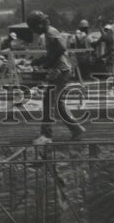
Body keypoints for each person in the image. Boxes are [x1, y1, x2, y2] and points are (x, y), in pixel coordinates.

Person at [25, 10, 85, 144]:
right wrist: (39, 61)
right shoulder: (48, 33)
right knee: (56, 104)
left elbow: (61, 48)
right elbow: (52, 52)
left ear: (39, 24)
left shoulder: (51, 33)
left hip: (61, 72)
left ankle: (46, 135)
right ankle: (76, 129)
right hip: (60, 71)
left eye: (34, 27)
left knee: (49, 103)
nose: (34, 31)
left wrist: (46, 64)